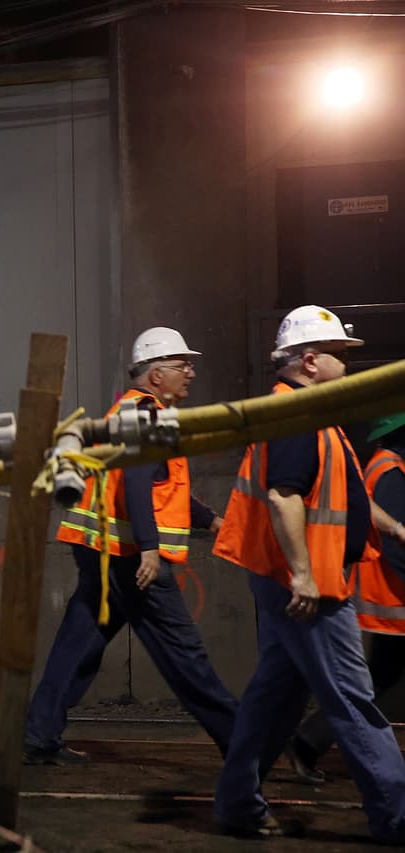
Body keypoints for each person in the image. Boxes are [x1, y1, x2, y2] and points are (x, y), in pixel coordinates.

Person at [212, 306, 405, 841]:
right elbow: (284, 494)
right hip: (309, 587)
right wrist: (301, 574)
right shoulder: (298, 416)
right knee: (351, 698)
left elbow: (343, 495)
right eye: (341, 356)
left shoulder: (309, 413)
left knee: (275, 697)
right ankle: (397, 815)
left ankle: (236, 804)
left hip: (295, 580)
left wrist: (390, 528)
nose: (348, 365)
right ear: (311, 360)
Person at [24, 327, 237, 764]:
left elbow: (160, 483)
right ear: (156, 375)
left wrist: (210, 520)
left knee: (79, 645)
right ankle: (245, 742)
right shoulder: (149, 416)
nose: (190, 372)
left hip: (102, 550)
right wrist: (150, 548)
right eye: (181, 366)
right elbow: (138, 483)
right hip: (131, 558)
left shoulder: (126, 411)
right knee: (184, 655)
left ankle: (39, 736)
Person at [286, 410, 405, 785]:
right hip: (390, 594)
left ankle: (306, 741)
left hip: (384, 594)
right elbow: (396, 544)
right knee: (372, 681)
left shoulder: (380, 466)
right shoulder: (391, 473)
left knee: (379, 678)